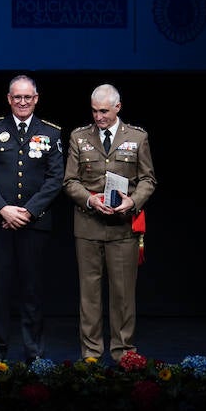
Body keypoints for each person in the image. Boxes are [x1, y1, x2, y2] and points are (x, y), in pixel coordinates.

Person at [0, 74, 64, 364]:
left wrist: (28, 211)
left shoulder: (51, 133)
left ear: (36, 99)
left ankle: (34, 350)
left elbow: (55, 179)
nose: (22, 102)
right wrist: (4, 209)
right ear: (9, 99)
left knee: (32, 289)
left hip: (34, 224)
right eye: (17, 97)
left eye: (28, 97)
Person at [63, 83, 157, 363]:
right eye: (94, 111)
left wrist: (134, 201)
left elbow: (148, 180)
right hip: (88, 225)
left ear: (118, 107)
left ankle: (124, 352)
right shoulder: (79, 137)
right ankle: (91, 353)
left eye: (104, 111)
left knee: (123, 295)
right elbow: (69, 181)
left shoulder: (137, 138)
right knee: (89, 296)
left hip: (123, 227)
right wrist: (90, 200)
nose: (98, 117)